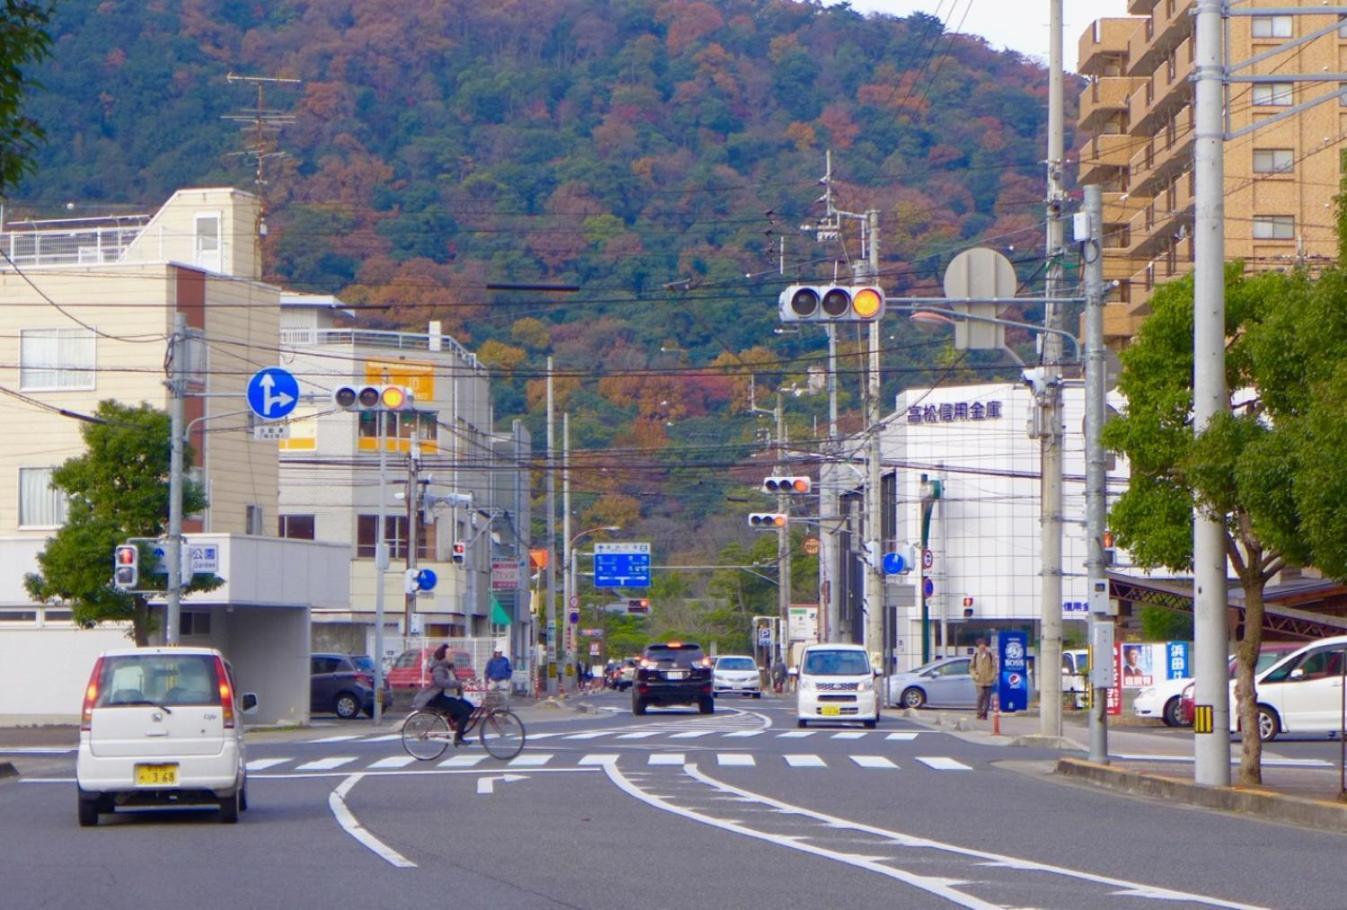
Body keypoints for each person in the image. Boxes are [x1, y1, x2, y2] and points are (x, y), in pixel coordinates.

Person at [424, 644, 473, 744]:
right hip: (440, 697)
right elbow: (441, 682)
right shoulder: (439, 668)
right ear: (444, 656)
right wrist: (459, 683)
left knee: (470, 707)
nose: (453, 656)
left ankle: (454, 726)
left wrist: (466, 682)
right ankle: (458, 738)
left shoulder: (450, 667)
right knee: (464, 713)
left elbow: (455, 680)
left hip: (451, 695)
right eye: (450, 654)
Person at [970, 638, 998, 720]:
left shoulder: (989, 655)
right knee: (980, 696)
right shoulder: (975, 655)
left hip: (988, 680)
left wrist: (992, 676)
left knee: (987, 698)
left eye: (984, 645)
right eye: (981, 645)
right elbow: (972, 667)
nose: (982, 646)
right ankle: (979, 713)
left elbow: (994, 667)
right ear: (978, 646)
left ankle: (984, 714)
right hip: (979, 681)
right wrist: (975, 676)